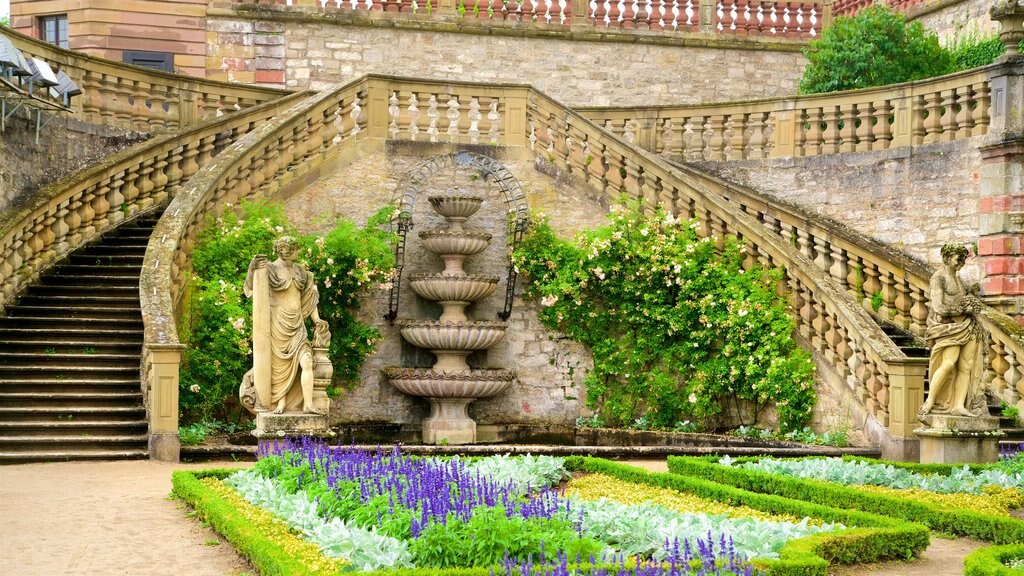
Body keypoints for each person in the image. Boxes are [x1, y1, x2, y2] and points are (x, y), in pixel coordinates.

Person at [242, 236, 327, 415]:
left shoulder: (301, 271)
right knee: (280, 368)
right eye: (296, 249)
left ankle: (308, 404)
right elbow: (252, 285)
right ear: (286, 250)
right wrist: (253, 267)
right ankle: (280, 404)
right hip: (278, 325)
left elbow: (309, 299)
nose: (298, 252)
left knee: (307, 362)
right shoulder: (270, 269)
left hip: (297, 325)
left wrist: (317, 320)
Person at [918, 243, 984, 418]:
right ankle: (930, 400)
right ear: (947, 258)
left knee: (966, 366)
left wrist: (971, 294)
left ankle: (958, 405)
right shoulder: (938, 278)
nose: (961, 262)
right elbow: (939, 307)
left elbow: (960, 300)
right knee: (948, 364)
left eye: (963, 258)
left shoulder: (960, 280)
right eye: (958, 258)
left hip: (967, 327)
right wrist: (963, 310)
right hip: (949, 328)